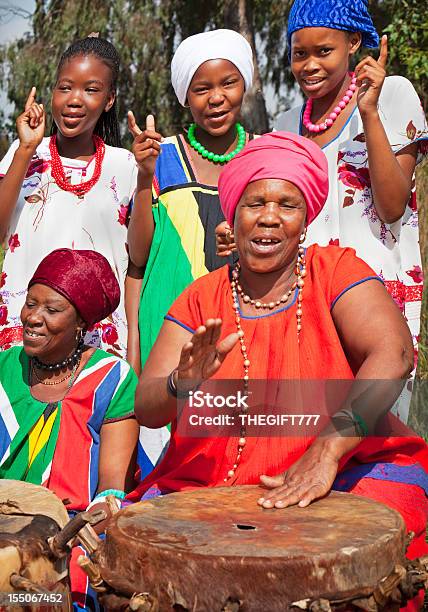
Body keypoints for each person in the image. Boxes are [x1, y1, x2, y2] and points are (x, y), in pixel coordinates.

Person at [130, 133, 428, 611]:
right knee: (117, 555)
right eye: (255, 203)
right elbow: (146, 407)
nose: (269, 216)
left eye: (286, 205)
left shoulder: (336, 271)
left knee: (380, 544)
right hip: (211, 484)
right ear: (233, 212)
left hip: (344, 469)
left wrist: (326, 453)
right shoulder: (200, 298)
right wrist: (179, 385)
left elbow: (394, 353)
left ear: (305, 218)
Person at [126, 28, 255, 474]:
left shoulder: (261, 157)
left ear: (246, 86)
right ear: (185, 96)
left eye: (228, 83)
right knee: (165, 456)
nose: (216, 98)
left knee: (232, 452)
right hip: (169, 320)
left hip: (240, 323)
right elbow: (138, 255)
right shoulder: (159, 157)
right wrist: (144, 178)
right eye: (202, 88)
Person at [0, 36, 138, 359]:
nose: (74, 99)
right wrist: (25, 150)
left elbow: (137, 266)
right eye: (65, 87)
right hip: (24, 339)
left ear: (109, 99)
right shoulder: (23, 156)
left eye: (90, 90)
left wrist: (134, 350)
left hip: (100, 347)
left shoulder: (127, 167)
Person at [0, 248, 139, 512]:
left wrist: (77, 535)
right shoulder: (5, 367)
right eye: (30, 303)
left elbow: (112, 490)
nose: (33, 318)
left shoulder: (111, 379)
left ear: (81, 324)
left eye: (51, 310)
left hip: (74, 529)